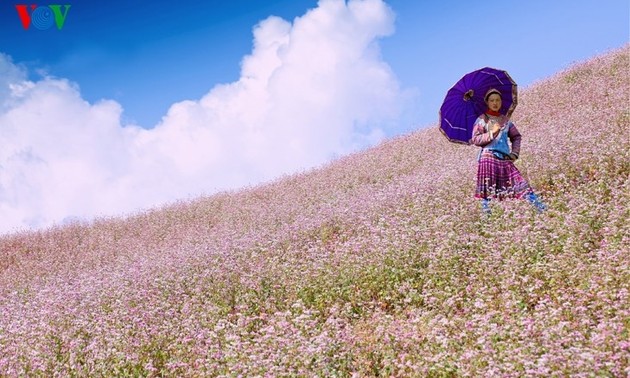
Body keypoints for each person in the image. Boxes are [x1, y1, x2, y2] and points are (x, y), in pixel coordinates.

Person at [470, 88, 546, 214]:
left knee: (523, 186)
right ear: (487, 102)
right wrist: (492, 133)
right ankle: (487, 223)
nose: (495, 103)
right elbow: (475, 139)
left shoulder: (506, 121)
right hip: (488, 159)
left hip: (505, 159)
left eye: (498, 100)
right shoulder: (481, 120)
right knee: (487, 194)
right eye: (492, 100)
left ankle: (543, 211)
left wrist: (514, 153)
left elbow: (516, 137)